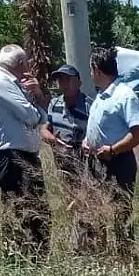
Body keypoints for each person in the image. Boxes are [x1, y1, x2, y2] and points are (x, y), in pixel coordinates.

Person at [0, 44, 51, 261]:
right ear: (22, 64)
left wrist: (36, 94)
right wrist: (39, 113)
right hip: (11, 158)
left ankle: (36, 259)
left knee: (36, 210)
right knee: (20, 210)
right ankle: (19, 259)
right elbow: (30, 116)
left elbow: (37, 112)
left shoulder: (14, 84)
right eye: (27, 62)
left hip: (24, 156)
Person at [82, 46, 139, 259]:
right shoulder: (101, 96)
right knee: (96, 210)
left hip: (118, 163)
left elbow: (138, 132)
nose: (90, 75)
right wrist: (87, 141)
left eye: (91, 70)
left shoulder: (124, 96)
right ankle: (101, 256)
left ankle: (125, 258)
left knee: (120, 213)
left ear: (97, 70)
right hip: (97, 162)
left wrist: (113, 149)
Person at [40, 64, 96, 253]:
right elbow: (44, 128)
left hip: (86, 167)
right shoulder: (54, 104)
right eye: (61, 80)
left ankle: (85, 247)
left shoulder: (90, 105)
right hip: (63, 167)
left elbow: (96, 135)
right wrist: (50, 138)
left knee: (85, 205)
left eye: (68, 79)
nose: (64, 83)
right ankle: (79, 247)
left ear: (78, 82)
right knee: (71, 206)